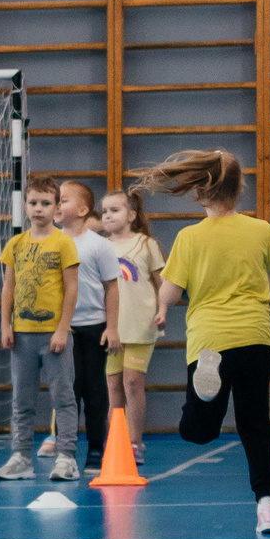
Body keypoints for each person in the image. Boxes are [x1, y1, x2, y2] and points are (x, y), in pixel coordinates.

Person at [143, 149, 270, 535]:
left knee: (199, 431)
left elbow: (170, 292)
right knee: (254, 421)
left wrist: (161, 309)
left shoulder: (189, 237)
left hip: (210, 338)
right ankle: (267, 506)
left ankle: (204, 393)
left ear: (198, 192)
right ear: (240, 187)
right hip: (255, 335)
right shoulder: (260, 229)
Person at [0, 180, 80, 481]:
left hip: (54, 336)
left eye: (45, 203)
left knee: (63, 397)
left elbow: (71, 288)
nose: (38, 209)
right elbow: (8, 288)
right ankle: (21, 457)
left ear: (56, 208)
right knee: (22, 400)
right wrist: (6, 325)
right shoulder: (15, 244)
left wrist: (62, 329)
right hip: (22, 336)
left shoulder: (63, 243)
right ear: (25, 206)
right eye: (33, 203)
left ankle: (66, 457)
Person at [50, 180, 122, 461]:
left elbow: (111, 288)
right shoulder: (52, 243)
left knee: (94, 390)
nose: (57, 204)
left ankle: (95, 447)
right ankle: (64, 448)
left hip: (93, 327)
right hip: (62, 329)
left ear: (82, 210)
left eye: (63, 200)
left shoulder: (98, 245)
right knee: (67, 391)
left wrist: (112, 328)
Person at [100, 190, 163, 463]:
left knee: (133, 382)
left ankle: (135, 442)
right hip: (110, 328)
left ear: (132, 215)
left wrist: (162, 310)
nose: (107, 215)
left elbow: (161, 282)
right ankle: (116, 442)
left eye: (114, 210)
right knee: (113, 386)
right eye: (104, 211)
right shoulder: (100, 247)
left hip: (140, 325)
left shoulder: (146, 244)